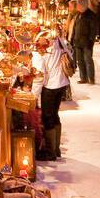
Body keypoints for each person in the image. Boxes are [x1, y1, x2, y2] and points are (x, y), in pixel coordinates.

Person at [33, 29, 72, 161]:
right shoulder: (59, 42)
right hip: (61, 83)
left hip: (50, 86)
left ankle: (50, 152)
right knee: (54, 115)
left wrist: (33, 95)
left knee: (48, 117)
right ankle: (56, 149)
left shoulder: (41, 53)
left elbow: (40, 77)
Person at [70, 0, 100, 84]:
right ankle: (83, 78)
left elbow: (93, 29)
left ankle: (91, 78)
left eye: (79, 5)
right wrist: (73, 38)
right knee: (80, 61)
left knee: (88, 60)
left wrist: (91, 40)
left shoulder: (90, 15)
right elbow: (75, 27)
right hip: (78, 41)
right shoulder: (78, 15)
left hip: (86, 41)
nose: (77, 7)